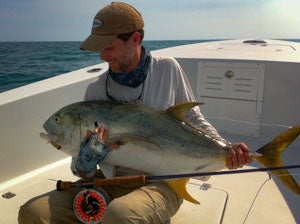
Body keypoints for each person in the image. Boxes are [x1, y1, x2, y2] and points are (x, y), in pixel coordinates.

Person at [18, 2, 252, 224]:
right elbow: (82, 170)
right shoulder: (96, 90)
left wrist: (226, 148)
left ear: (135, 39)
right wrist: (86, 161)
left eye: (108, 47)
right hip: (110, 180)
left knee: (119, 217)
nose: (102, 56)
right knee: (33, 213)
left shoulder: (166, 69)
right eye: (99, 48)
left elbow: (193, 119)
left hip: (164, 182)